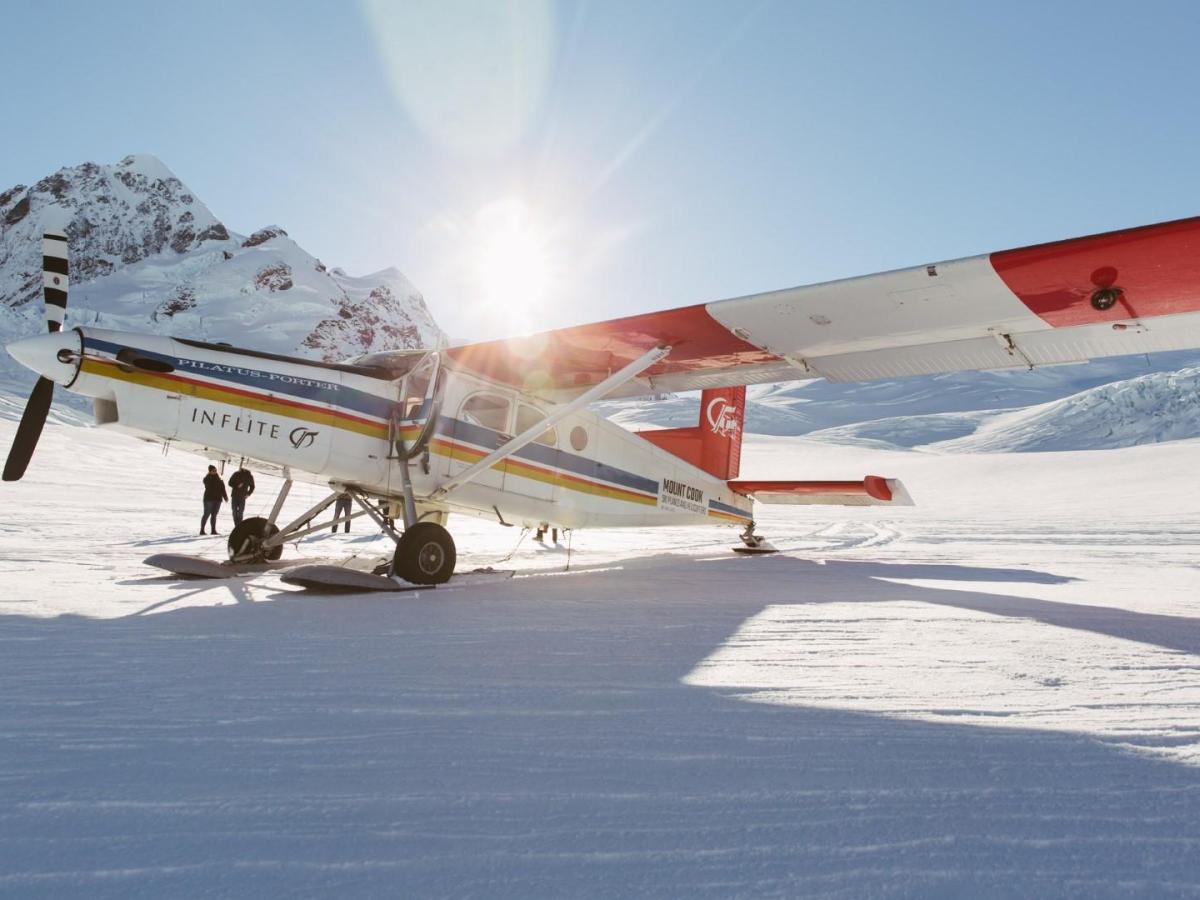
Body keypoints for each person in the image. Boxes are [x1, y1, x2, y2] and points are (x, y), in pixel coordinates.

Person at [201, 464, 228, 535]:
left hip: (218, 499)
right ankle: (202, 530)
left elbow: (223, 489)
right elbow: (207, 483)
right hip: (208, 499)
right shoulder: (207, 479)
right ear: (210, 471)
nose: (215, 472)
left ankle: (213, 530)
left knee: (214, 515)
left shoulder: (219, 480)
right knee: (206, 514)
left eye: (216, 470)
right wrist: (210, 476)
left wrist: (225, 497)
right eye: (213, 470)